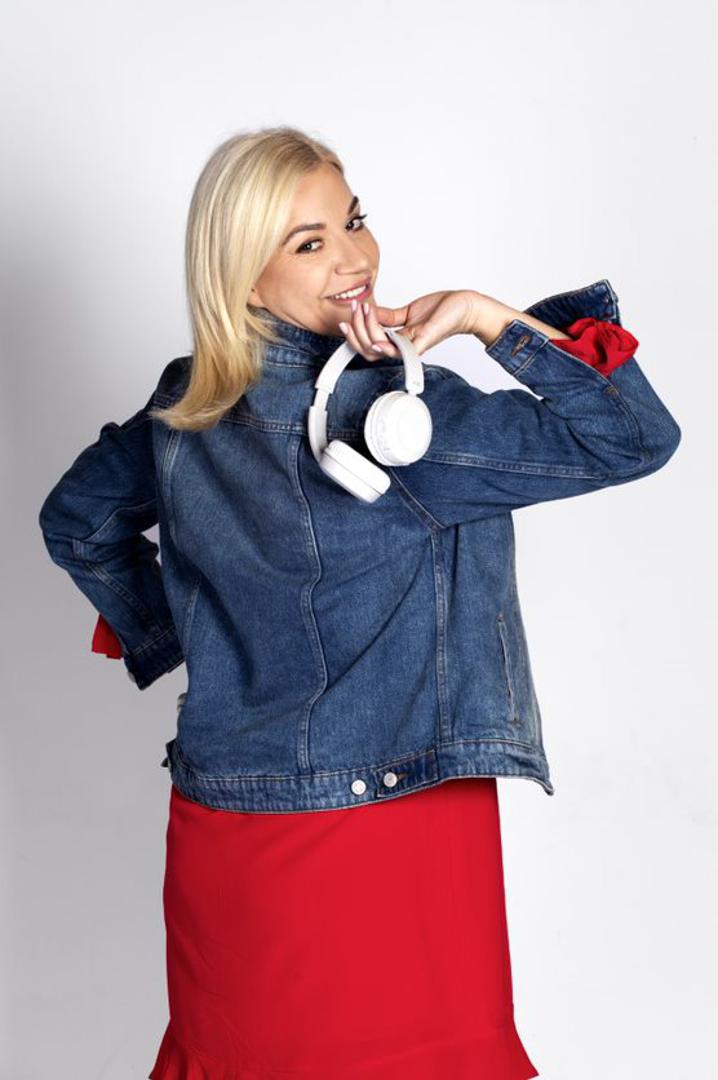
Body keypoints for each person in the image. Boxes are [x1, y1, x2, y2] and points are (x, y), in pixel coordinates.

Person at [38, 125, 681, 1078]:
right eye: (310, 242)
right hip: (391, 827)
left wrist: (187, 638)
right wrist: (486, 317)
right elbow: (635, 435)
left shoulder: (185, 407)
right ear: (242, 277)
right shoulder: (403, 422)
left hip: (225, 829)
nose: (355, 257)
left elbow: (77, 522)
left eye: (354, 220)